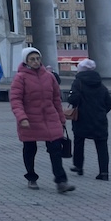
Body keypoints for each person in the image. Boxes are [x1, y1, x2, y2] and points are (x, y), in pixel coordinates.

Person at [10, 47, 73, 193]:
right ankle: (31, 177)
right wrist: (22, 117)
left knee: (55, 149)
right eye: (32, 59)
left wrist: (61, 118)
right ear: (26, 61)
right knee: (30, 149)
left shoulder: (49, 77)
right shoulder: (20, 78)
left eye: (38, 58)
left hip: (50, 118)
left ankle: (61, 181)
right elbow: (15, 100)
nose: (36, 62)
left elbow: (56, 99)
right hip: (29, 120)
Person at [67, 59, 111, 180]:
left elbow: (73, 99)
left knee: (79, 141)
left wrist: (71, 99)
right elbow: (109, 103)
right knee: (102, 145)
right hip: (100, 119)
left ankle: (78, 166)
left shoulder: (78, 82)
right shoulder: (101, 84)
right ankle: (104, 172)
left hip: (82, 118)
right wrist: (101, 112)